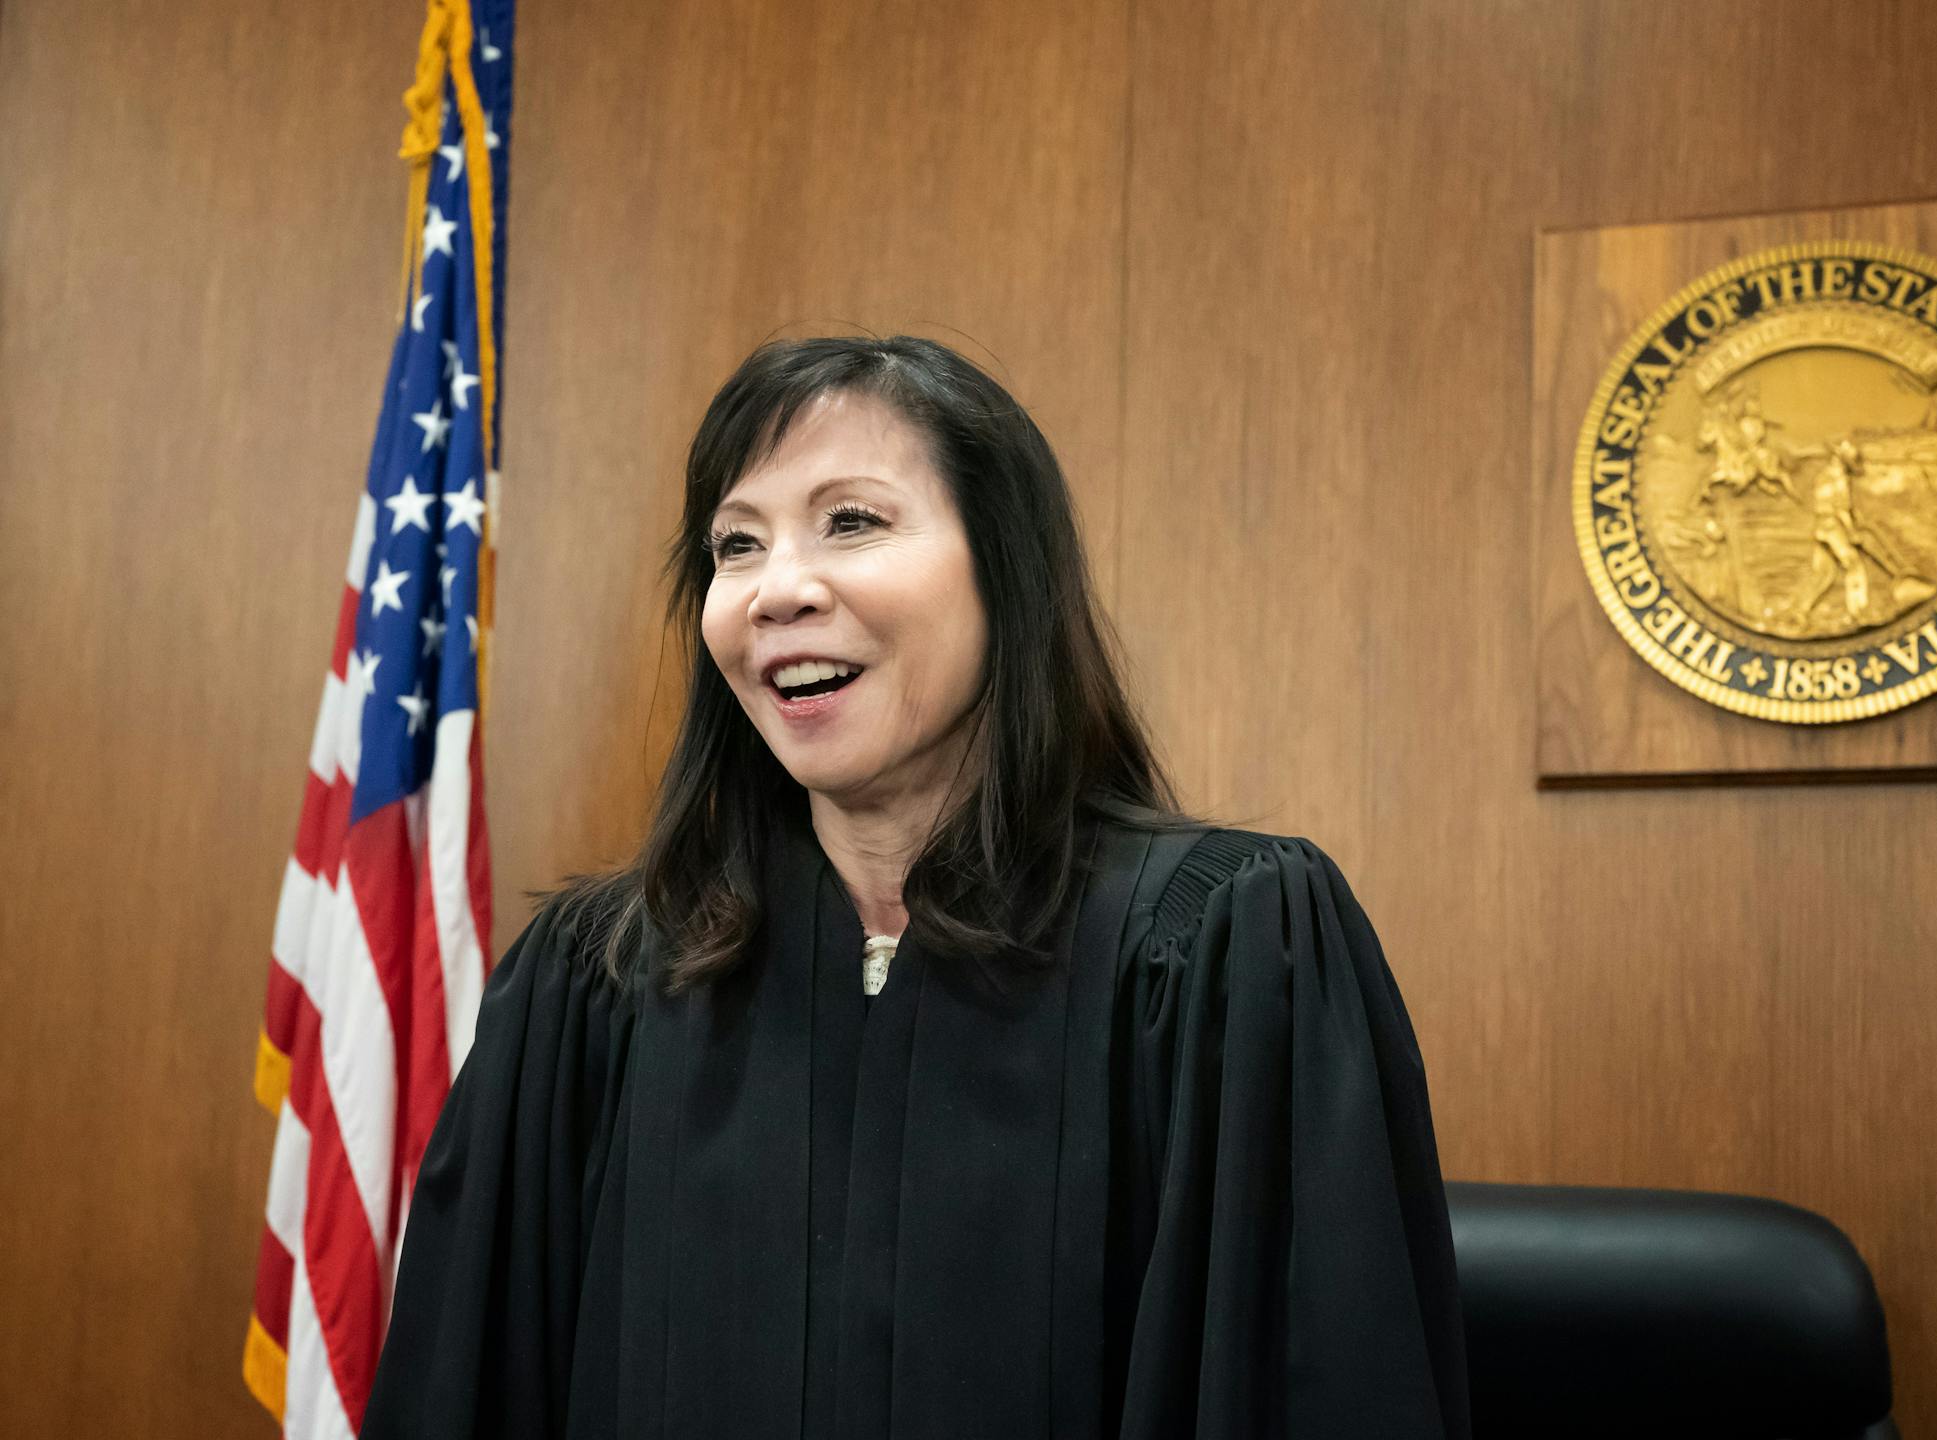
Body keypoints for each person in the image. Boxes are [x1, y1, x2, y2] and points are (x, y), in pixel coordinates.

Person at [358, 336, 1473, 1439]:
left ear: (1007, 571)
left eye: (853, 521)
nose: (776, 591)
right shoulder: (596, 991)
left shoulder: (1222, 956)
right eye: (735, 546)